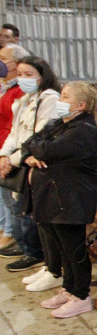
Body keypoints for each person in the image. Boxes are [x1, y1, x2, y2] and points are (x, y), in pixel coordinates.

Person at [23, 82, 97, 317]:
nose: (60, 100)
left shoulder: (84, 129)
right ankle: (68, 288)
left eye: (66, 97)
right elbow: (31, 142)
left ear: (80, 105)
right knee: (61, 246)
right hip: (56, 196)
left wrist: (38, 152)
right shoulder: (60, 123)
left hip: (73, 199)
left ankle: (82, 295)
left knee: (73, 248)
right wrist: (31, 157)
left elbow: (46, 150)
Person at [0, 55, 60, 272]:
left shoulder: (49, 98)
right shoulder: (25, 98)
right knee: (15, 205)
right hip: (18, 158)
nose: (23, 79)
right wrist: (3, 156)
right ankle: (25, 245)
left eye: (29, 75)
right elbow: (15, 132)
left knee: (25, 209)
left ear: (42, 76)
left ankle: (33, 252)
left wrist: (13, 161)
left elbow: (38, 135)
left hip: (32, 161)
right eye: (21, 74)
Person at [0, 44, 27, 252]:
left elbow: (14, 126)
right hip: (4, 149)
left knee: (13, 200)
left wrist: (8, 155)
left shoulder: (20, 90)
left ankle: (15, 236)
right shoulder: (7, 86)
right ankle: (6, 229)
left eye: (3, 58)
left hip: (13, 152)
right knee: (5, 199)